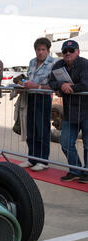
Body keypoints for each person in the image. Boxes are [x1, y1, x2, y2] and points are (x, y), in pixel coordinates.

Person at [48, 40, 88, 183]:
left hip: (86, 111)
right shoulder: (58, 65)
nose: (68, 53)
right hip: (70, 112)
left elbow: (86, 84)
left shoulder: (85, 64)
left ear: (78, 52)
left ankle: (87, 172)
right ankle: (76, 170)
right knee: (65, 143)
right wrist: (61, 85)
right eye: (65, 51)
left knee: (87, 144)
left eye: (71, 50)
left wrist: (70, 88)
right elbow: (51, 82)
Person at [18, 38, 56, 172]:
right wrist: (22, 83)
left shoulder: (54, 63)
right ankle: (32, 158)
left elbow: (54, 85)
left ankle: (43, 160)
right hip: (30, 97)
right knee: (31, 129)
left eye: (43, 49)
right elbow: (29, 79)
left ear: (48, 50)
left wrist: (37, 85)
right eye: (38, 49)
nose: (40, 52)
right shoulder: (32, 62)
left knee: (42, 130)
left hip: (44, 98)